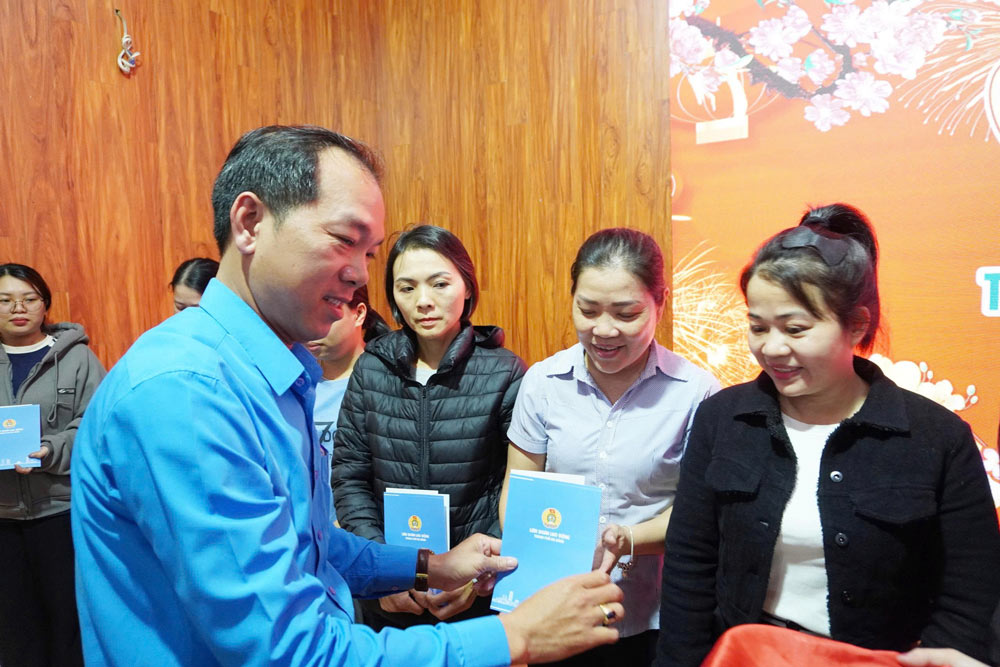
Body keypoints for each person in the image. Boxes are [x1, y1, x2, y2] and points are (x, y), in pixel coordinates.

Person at [71, 125, 625, 667]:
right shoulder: (188, 393)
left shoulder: (273, 372)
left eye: (371, 254)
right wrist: (516, 637)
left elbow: (306, 545)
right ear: (250, 223)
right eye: (344, 240)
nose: (360, 275)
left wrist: (429, 566)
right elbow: (289, 652)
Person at [655, 204, 1000, 666]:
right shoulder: (722, 419)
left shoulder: (937, 437)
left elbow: (971, 590)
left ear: (856, 324)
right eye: (758, 327)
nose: (772, 348)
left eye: (796, 329)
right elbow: (689, 567)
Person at [501, 228, 720, 666]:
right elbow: (519, 488)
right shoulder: (543, 383)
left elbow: (700, 513)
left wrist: (630, 538)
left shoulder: (697, 393)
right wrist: (532, 547)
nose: (603, 330)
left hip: (653, 614)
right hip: (557, 606)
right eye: (588, 309)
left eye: (626, 313)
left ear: (661, 301)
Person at [333, 224, 527, 628]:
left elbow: (515, 486)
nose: (424, 301)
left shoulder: (505, 373)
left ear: (468, 288)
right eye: (407, 289)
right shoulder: (372, 369)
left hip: (474, 590)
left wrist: (473, 575)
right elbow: (350, 477)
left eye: (439, 284)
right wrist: (384, 571)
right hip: (388, 591)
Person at [0, 263, 106, 667]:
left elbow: (96, 427)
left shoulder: (77, 358)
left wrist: (51, 449)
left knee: (68, 624)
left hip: (60, 511)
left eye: (29, 298)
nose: (18, 308)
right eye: (6, 300)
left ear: (45, 304)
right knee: (14, 630)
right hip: (2, 518)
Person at [306, 284, 390, 520]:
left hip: (368, 535)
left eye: (327, 313)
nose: (314, 326)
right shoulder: (298, 385)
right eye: (306, 312)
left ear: (359, 313)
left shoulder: (387, 383)